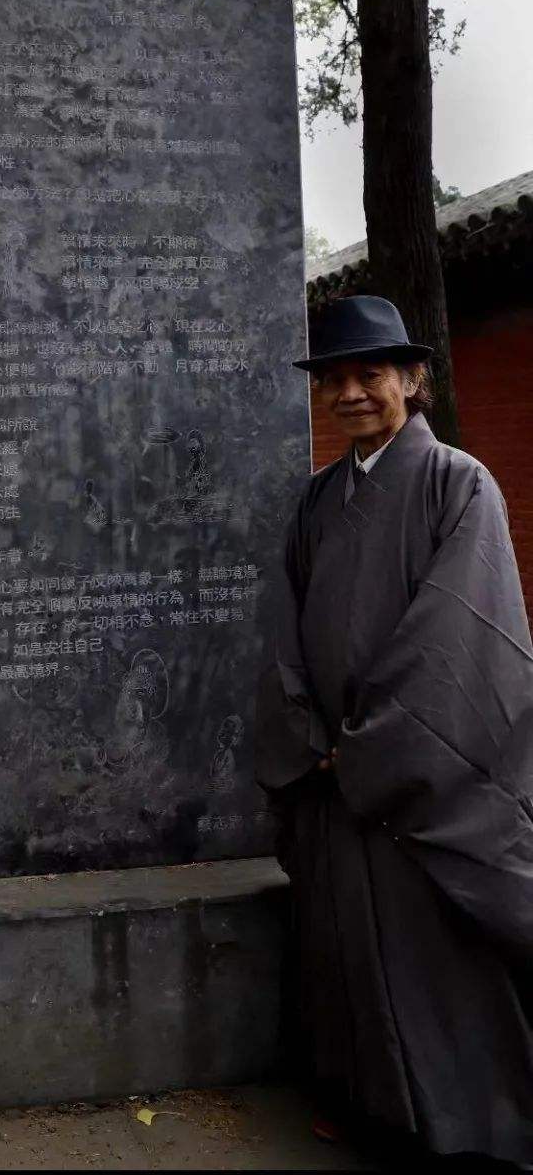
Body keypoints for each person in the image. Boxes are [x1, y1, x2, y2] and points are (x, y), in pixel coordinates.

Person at [256, 295, 533, 1165]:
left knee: (433, 956)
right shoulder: (316, 501)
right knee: (344, 951)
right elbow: (283, 631)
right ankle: (367, 1105)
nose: (350, 393)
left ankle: (458, 1120)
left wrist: (374, 746)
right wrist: (310, 737)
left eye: (369, 374)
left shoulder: (459, 483)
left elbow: (461, 633)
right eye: (333, 379)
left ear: (412, 379)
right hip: (333, 771)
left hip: (417, 772)